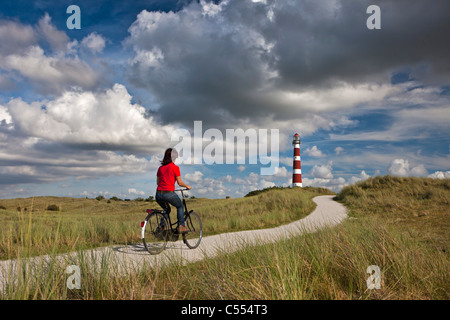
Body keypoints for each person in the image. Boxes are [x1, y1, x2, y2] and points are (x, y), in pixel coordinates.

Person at [155, 148, 191, 234]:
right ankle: (181, 226)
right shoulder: (175, 168)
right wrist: (187, 186)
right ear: (174, 157)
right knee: (180, 206)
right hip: (169, 193)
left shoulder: (160, 168)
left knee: (166, 209)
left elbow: (158, 183)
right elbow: (180, 183)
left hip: (158, 194)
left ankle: (162, 226)